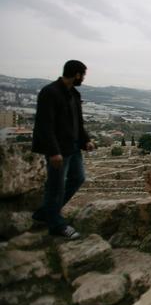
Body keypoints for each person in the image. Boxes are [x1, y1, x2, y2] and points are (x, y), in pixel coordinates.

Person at [31, 60, 95, 240]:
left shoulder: (73, 93)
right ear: (76, 74)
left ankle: (46, 213)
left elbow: (77, 123)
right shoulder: (50, 92)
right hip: (59, 149)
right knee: (56, 186)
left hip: (73, 147)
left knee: (78, 178)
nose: (83, 78)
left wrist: (86, 140)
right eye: (83, 75)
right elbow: (45, 125)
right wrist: (53, 151)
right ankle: (56, 225)